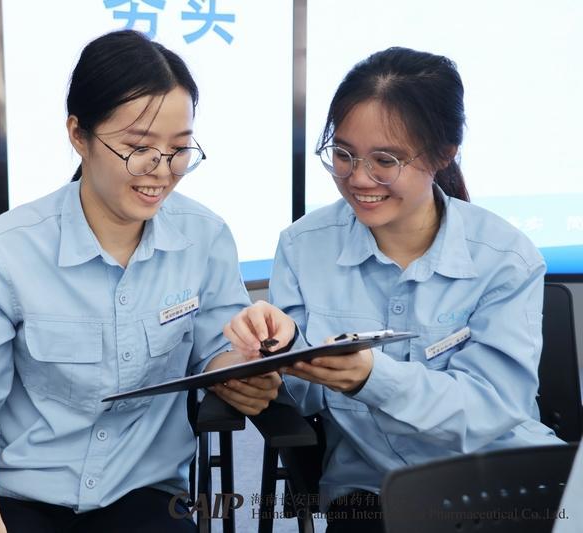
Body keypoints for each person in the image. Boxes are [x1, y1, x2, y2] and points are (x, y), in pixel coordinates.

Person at [0, 30, 280, 533]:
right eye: (138, 147)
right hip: (11, 494)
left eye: (179, 149)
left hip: (140, 494)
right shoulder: (1, 253)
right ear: (78, 134)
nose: (161, 171)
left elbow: (217, 352)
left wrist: (248, 369)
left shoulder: (205, 238)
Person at [224, 47, 563, 532]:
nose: (359, 178)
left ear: (444, 154)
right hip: (373, 490)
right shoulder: (302, 246)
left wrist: (371, 377)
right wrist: (276, 351)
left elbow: (491, 409)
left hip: (506, 481)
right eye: (343, 154)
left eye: (385, 160)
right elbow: (301, 397)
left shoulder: (505, 256)